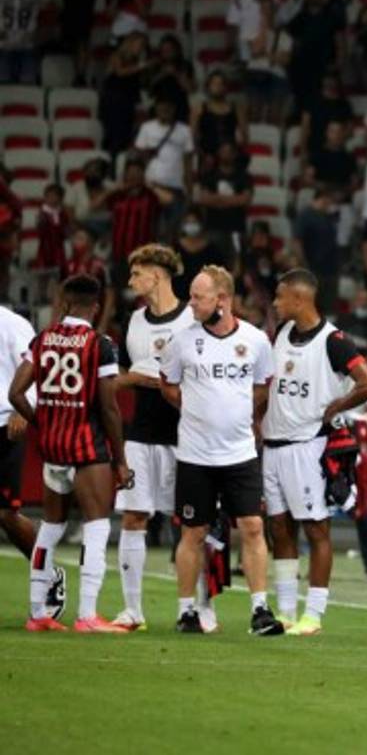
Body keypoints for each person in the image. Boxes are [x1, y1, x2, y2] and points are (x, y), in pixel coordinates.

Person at [159, 265, 281, 635]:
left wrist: (237, 414)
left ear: (222, 300)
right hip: (194, 455)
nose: (191, 303)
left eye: (198, 297)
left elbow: (262, 387)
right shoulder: (181, 341)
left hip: (240, 453)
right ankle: (186, 612)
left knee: (253, 526)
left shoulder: (256, 340)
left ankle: (260, 609)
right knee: (193, 533)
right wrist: (198, 413)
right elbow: (168, 385)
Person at [9, 275, 130, 633]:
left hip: (53, 447)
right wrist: (120, 460)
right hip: (86, 446)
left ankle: (37, 613)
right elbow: (109, 408)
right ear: (94, 306)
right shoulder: (100, 344)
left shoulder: (42, 339)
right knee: (96, 525)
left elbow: (16, 393)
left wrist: (41, 423)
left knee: (50, 528)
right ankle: (88, 615)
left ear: (64, 303)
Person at [264, 269, 367, 635]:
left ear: (299, 299)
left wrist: (336, 407)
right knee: (279, 528)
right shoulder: (281, 333)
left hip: (307, 445)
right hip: (273, 444)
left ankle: (312, 615)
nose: (275, 303)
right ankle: (283, 612)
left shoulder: (334, 341)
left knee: (316, 528)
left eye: (281, 297)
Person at [112, 244, 195, 631]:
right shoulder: (135, 321)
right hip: (142, 434)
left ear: (157, 275)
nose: (131, 282)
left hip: (187, 435)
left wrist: (155, 380)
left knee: (193, 523)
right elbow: (123, 373)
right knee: (133, 515)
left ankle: (194, 609)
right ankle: (133, 610)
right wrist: (142, 378)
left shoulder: (193, 319)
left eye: (137, 273)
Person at [0, 303, 65, 621]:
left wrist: (20, 410)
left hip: (3, 426)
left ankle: (48, 573)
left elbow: (39, 373)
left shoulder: (11, 324)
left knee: (6, 514)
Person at [285, 0, 347, 110]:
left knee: (324, 102)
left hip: (325, 66)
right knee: (302, 103)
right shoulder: (300, 17)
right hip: (302, 68)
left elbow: (340, 39)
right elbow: (288, 36)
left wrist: (340, 61)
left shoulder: (332, 15)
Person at [134, 97, 195, 224]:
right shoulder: (146, 128)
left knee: (173, 231)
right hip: (151, 188)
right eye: (161, 105)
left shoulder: (185, 130)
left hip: (177, 188)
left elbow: (188, 163)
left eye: (168, 106)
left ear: (174, 109)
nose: (164, 109)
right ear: (156, 108)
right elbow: (138, 159)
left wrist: (190, 192)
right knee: (148, 228)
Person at [107, 159, 164, 279]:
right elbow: (94, 205)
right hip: (118, 253)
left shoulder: (150, 196)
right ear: (125, 175)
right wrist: (115, 189)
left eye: (137, 172)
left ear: (143, 175)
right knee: (119, 291)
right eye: (130, 172)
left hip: (143, 255)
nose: (133, 176)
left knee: (141, 293)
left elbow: (169, 200)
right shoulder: (117, 196)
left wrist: (150, 186)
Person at [292, 188, 342, 314]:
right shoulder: (305, 216)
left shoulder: (329, 217)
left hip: (330, 270)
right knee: (311, 307)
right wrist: (304, 265)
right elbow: (297, 241)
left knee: (329, 308)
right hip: (313, 268)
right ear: (323, 199)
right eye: (329, 201)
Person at [244, 0, 293, 125]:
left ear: (274, 11)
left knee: (274, 117)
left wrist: (266, 54)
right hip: (255, 73)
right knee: (254, 116)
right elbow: (255, 51)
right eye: (262, 9)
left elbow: (285, 60)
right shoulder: (251, 31)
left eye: (268, 9)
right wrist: (272, 54)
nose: (265, 12)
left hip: (277, 75)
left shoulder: (284, 36)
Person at [100, 32, 150, 155]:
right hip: (114, 99)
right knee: (114, 133)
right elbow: (120, 73)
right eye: (139, 44)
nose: (141, 48)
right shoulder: (117, 55)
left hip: (128, 101)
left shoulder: (136, 61)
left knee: (126, 134)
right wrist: (140, 67)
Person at [195, 141, 253, 246]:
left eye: (229, 152)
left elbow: (245, 200)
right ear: (218, 153)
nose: (226, 154)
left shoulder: (244, 176)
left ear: (234, 154)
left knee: (236, 261)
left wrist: (217, 199)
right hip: (213, 227)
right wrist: (233, 199)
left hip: (237, 228)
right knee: (213, 260)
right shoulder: (209, 175)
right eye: (223, 151)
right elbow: (203, 199)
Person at [0, 0, 43, 84]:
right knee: (4, 90)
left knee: (27, 90)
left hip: (27, 45)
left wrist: (37, 33)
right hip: (4, 44)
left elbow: (52, 5)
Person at [192, 71, 248, 164]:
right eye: (214, 84)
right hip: (207, 158)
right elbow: (193, 137)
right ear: (208, 87)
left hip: (231, 157)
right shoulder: (198, 109)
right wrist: (202, 155)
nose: (218, 87)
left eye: (221, 84)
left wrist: (234, 153)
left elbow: (245, 136)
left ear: (226, 88)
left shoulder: (237, 109)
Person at [172, 208, 228, 300]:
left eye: (194, 222)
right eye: (188, 222)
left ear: (201, 224)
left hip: (206, 301)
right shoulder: (174, 250)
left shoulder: (212, 251)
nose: (191, 226)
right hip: (179, 301)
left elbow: (221, 277)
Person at [300, 72, 354, 167]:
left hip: (336, 151)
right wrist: (303, 151)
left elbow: (349, 129)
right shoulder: (312, 100)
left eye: (332, 80)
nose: (330, 83)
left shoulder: (344, 104)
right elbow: (305, 128)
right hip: (314, 148)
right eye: (327, 80)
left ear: (337, 82)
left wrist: (336, 142)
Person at [146, 34, 195, 125]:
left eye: (170, 49)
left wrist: (176, 74)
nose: (167, 52)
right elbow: (148, 89)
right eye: (164, 49)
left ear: (176, 50)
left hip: (179, 106)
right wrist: (162, 74)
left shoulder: (185, 65)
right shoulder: (155, 65)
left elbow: (190, 89)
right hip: (160, 106)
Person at [64, 158, 113, 234]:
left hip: (106, 224)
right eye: (88, 171)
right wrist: (74, 224)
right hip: (82, 224)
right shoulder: (75, 187)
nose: (91, 174)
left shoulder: (110, 186)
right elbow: (69, 209)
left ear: (102, 174)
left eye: (95, 171)